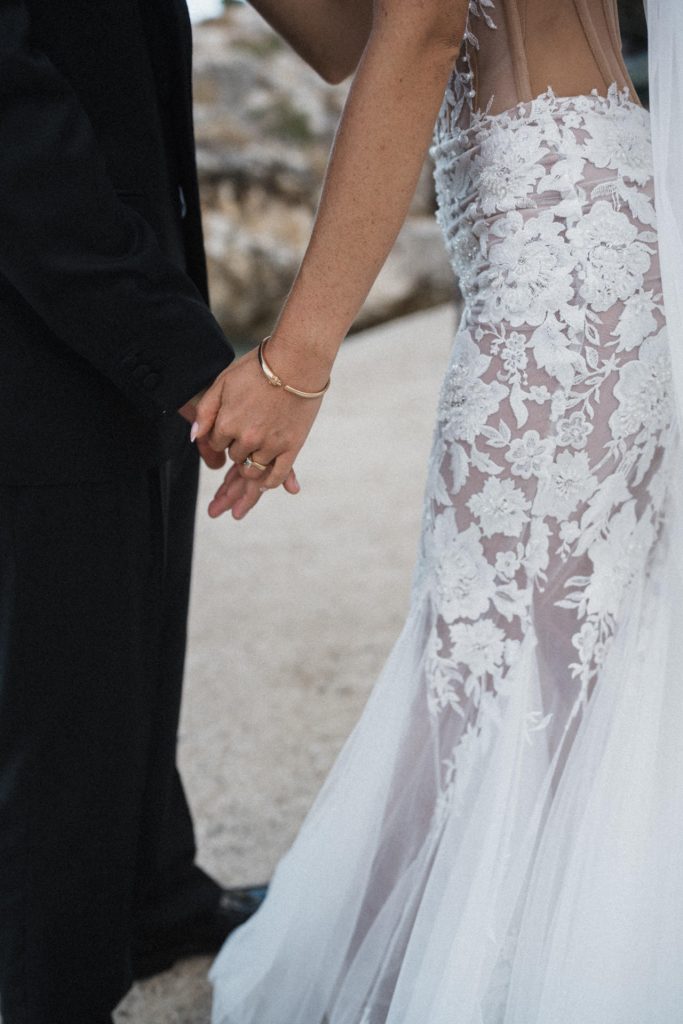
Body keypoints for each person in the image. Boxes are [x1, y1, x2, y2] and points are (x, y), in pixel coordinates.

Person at [206, 0, 683, 1020]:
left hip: (556, 255)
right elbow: (349, 42)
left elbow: (421, 29)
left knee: (489, 649)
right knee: (551, 652)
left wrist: (293, 362)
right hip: (581, 211)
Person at [0, 1, 296, 1021]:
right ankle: (56, 987)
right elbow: (21, 143)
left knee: (137, 635)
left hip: (122, 313)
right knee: (64, 693)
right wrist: (180, 354)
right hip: (34, 346)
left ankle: (153, 891)